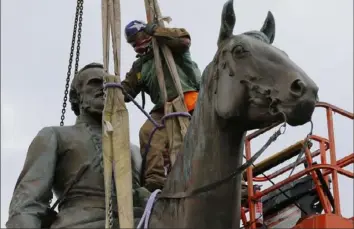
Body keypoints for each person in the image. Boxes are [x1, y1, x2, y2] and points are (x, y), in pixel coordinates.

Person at [6, 63, 149, 228]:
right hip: (79, 223)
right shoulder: (55, 136)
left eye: (109, 83)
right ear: (76, 97)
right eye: (95, 82)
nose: (104, 88)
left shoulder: (135, 151)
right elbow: (27, 202)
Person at [121, 20, 202, 192]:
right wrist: (114, 89)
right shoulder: (141, 65)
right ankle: (155, 178)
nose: (137, 43)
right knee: (148, 132)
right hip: (163, 108)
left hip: (188, 100)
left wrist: (158, 31)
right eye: (133, 41)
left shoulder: (168, 46)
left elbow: (184, 39)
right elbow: (127, 89)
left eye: (139, 37)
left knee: (202, 137)